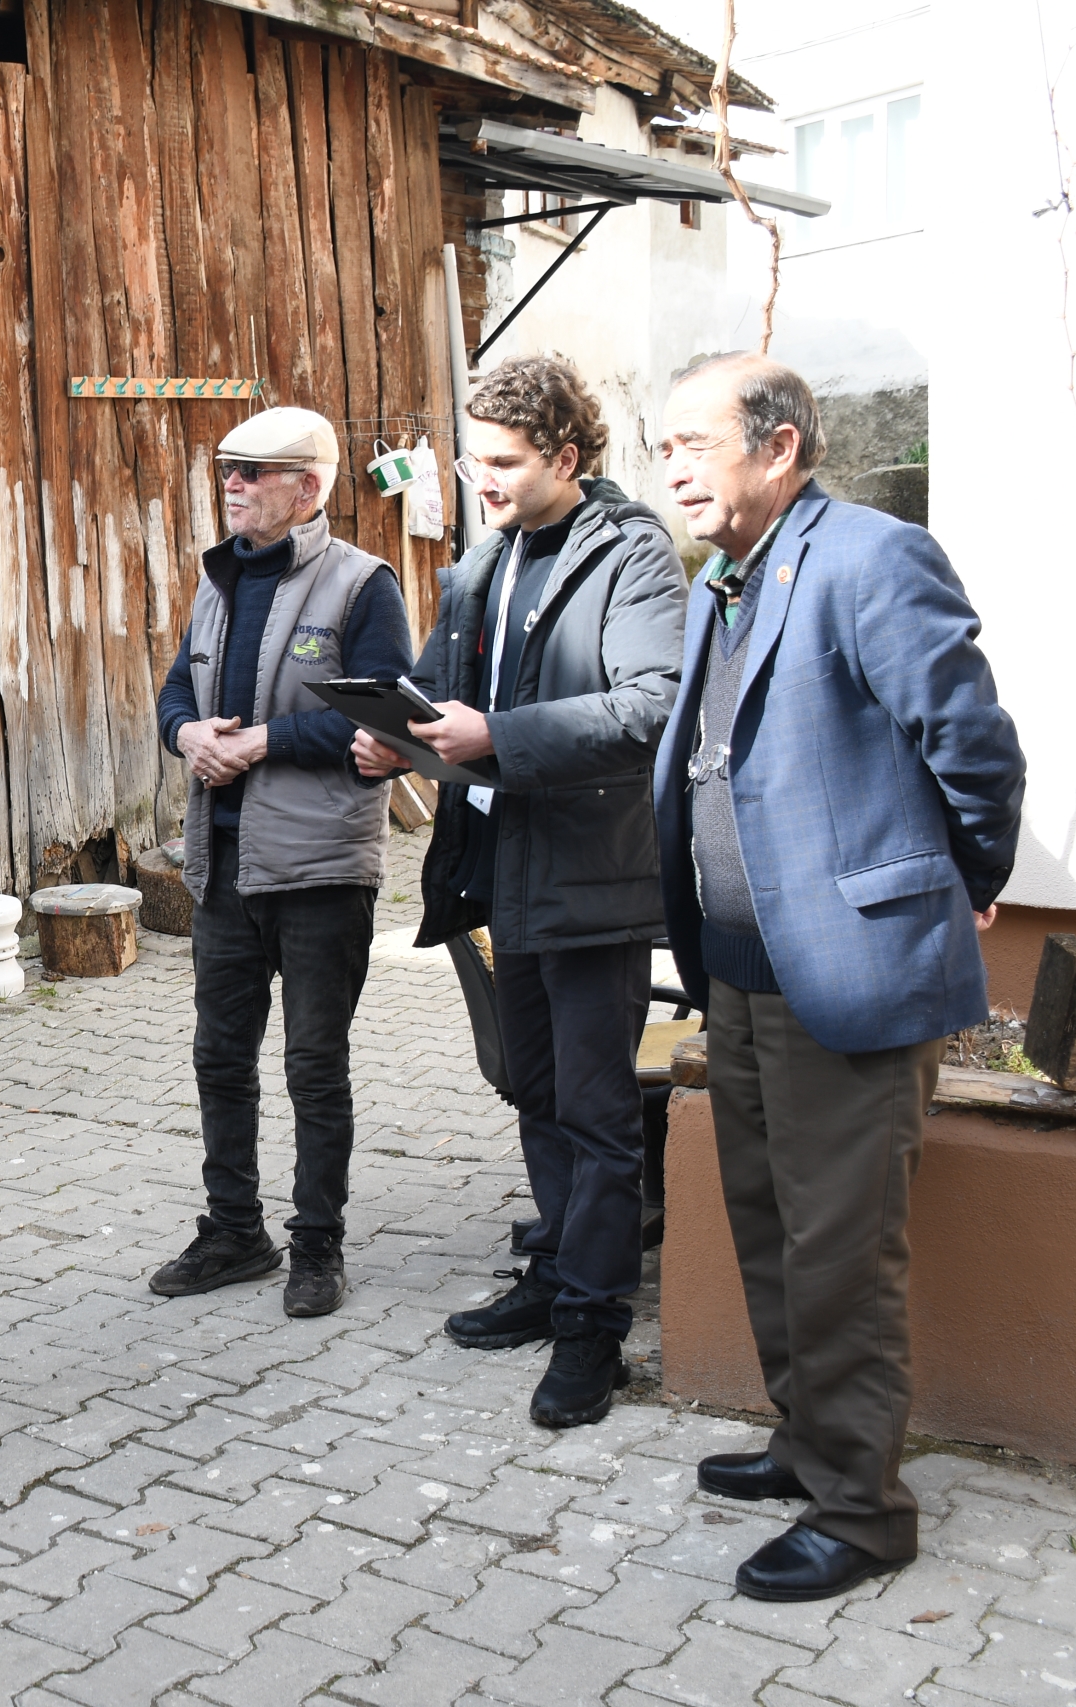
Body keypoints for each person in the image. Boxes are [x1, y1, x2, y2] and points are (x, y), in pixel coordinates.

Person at [650, 354, 1022, 1600]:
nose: (675, 469)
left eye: (695, 443)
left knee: (841, 1251)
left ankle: (864, 1514)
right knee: (768, 1225)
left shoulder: (869, 557)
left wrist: (962, 881)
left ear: (780, 446)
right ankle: (808, 1443)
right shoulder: (727, 577)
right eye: (664, 449)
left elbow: (970, 741)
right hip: (743, 969)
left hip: (848, 968)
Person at [354, 355, 687, 1428]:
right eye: (470, 457)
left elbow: (654, 705)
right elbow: (443, 692)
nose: (479, 478)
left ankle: (593, 1325)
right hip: (501, 871)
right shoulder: (482, 561)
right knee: (534, 1089)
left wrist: (500, 736)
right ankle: (554, 1276)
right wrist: (398, 740)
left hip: (592, 875)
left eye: (501, 462)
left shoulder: (630, 554)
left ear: (566, 457)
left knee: (598, 1112)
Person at [151, 405, 415, 1317]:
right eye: (226, 468)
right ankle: (234, 1231)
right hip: (222, 866)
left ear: (309, 488)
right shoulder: (216, 580)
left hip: (320, 869)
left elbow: (385, 715)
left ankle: (317, 1246)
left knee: (314, 1063)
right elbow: (178, 682)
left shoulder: (362, 585)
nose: (231, 483)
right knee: (220, 1056)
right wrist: (187, 731)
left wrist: (261, 740)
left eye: (253, 470)